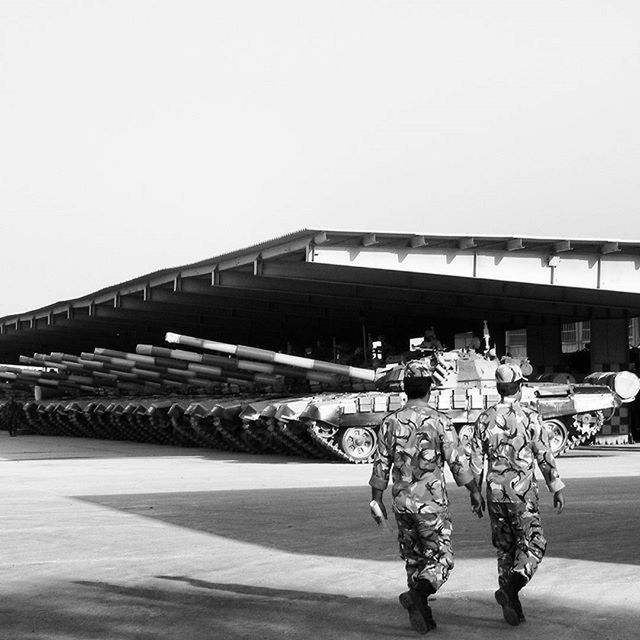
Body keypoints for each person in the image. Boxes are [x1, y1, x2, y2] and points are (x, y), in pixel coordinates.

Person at [369, 361, 484, 635]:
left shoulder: (389, 422)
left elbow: (380, 466)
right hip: (431, 505)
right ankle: (418, 597)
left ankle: (424, 614)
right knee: (441, 560)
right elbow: (457, 463)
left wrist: (376, 501)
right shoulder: (440, 421)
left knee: (415, 560)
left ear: (405, 389)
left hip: (402, 505)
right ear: (429, 388)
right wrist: (474, 492)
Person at [467, 363, 565, 626]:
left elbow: (475, 463)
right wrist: (555, 487)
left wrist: (475, 494)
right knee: (535, 544)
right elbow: (544, 455)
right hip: (522, 495)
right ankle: (510, 591)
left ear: (498, 388)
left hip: (494, 495)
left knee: (505, 550)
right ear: (519, 387)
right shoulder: (530, 417)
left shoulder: (484, 418)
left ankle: (512, 605)